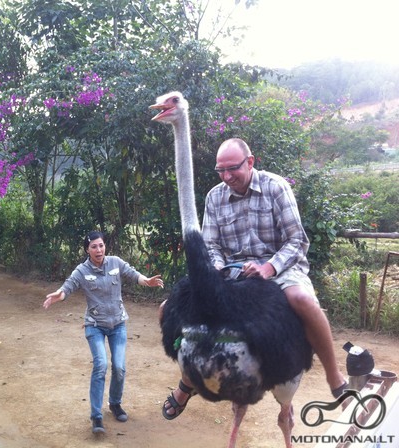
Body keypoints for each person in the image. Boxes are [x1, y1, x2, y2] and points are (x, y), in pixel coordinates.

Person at [162, 137, 347, 419]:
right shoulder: (215, 196)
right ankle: (188, 383)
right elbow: (212, 247)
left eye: (232, 168)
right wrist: (219, 271)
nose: (226, 176)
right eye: (220, 170)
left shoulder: (275, 187)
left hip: (280, 267)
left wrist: (269, 268)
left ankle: (335, 378)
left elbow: (296, 240)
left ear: (250, 162)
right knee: (172, 310)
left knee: (301, 300)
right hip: (234, 272)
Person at [44, 230, 164, 435]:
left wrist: (147, 281)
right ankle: (96, 416)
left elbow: (133, 274)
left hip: (118, 324)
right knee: (101, 365)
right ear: (87, 250)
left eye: (101, 245)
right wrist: (59, 295)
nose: (98, 250)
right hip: (95, 325)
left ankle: (115, 404)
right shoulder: (82, 271)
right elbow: (69, 286)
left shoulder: (115, 262)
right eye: (94, 247)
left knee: (119, 367)